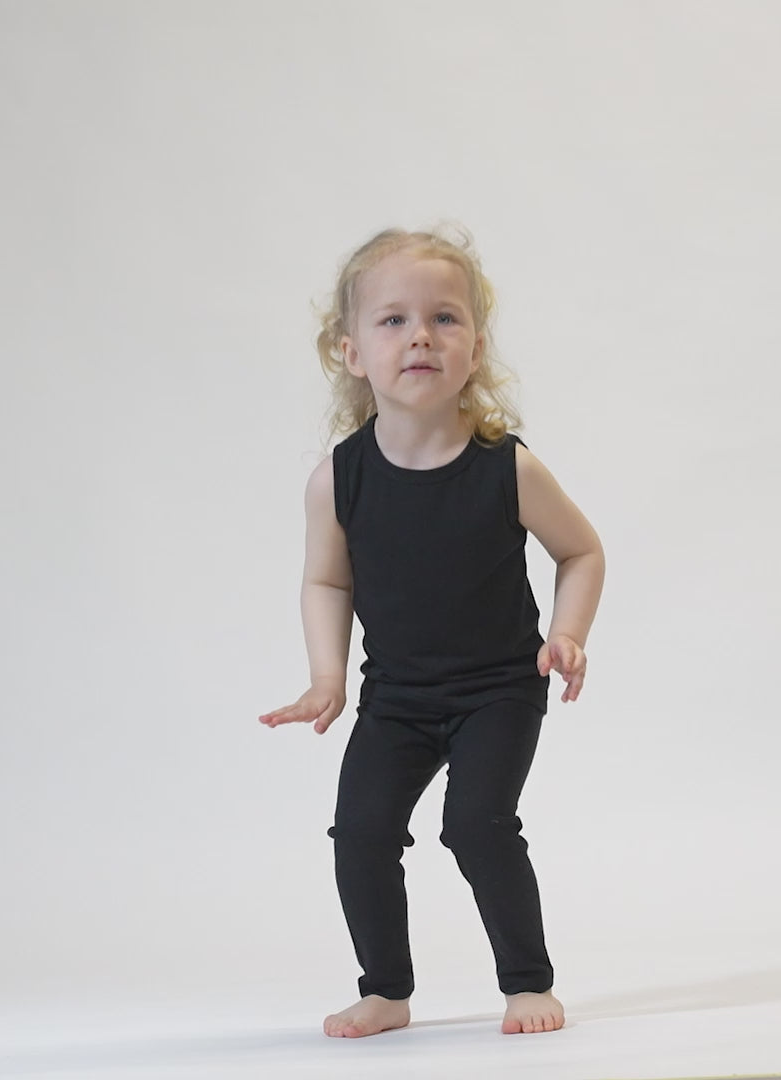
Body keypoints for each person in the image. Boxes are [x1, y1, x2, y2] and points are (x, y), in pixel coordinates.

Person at [258, 225, 605, 1038]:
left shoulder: (506, 468)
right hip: (399, 696)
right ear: (350, 353)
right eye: (392, 320)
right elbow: (326, 579)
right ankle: (385, 990)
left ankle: (527, 983)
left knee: (476, 824)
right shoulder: (337, 480)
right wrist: (328, 677)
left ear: (475, 349)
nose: (420, 334)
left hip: (499, 690)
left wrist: (568, 634)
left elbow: (582, 550)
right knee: (362, 831)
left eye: (445, 318)